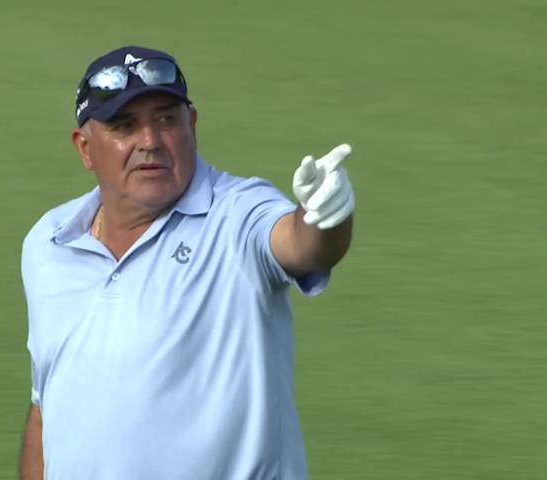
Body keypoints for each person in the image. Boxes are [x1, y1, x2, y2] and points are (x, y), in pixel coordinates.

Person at [18, 45, 355, 480]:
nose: (150, 141)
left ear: (191, 125)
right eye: (124, 126)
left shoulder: (236, 213)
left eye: (166, 120)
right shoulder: (49, 244)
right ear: (85, 148)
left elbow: (302, 244)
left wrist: (325, 214)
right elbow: (47, 407)